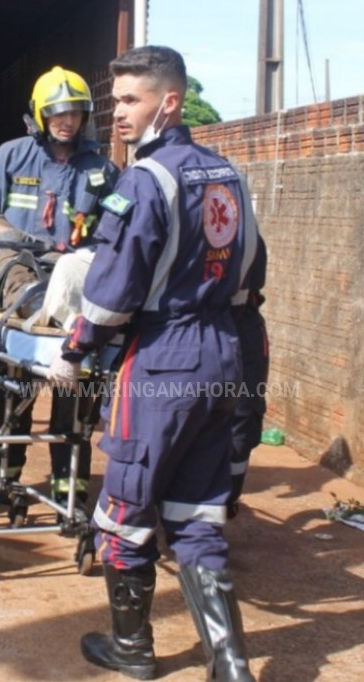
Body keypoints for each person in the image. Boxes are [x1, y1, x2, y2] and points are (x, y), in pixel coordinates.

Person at [47, 46, 259, 681]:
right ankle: (231, 665)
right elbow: (250, 270)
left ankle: (133, 650)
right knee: (196, 513)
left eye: (130, 100)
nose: (117, 114)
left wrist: (75, 348)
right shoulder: (228, 175)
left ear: (169, 103)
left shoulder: (146, 180)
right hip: (224, 350)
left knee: (125, 508)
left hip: (164, 357)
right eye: (115, 102)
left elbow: (113, 288)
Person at [0, 66, 119, 508]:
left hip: (76, 288)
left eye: (75, 114)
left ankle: (70, 486)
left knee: (75, 391)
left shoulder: (103, 170)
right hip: (20, 287)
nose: (67, 122)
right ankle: (4, 478)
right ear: (39, 116)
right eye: (57, 113)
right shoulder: (9, 157)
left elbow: (116, 236)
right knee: (10, 387)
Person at [227, 236, 269, 519]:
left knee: (245, 411)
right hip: (194, 323)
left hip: (242, 326)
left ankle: (226, 497)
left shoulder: (249, 237)